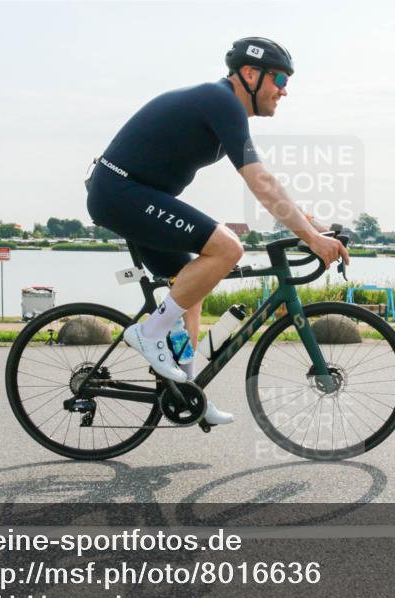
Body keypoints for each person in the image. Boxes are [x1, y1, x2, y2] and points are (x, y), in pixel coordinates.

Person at [86, 37, 349, 425]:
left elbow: (268, 184)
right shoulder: (221, 100)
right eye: (278, 78)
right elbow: (260, 181)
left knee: (190, 286)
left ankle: (187, 390)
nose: (284, 89)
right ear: (249, 74)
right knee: (227, 248)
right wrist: (312, 240)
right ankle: (148, 334)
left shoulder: (225, 109)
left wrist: (315, 227)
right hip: (120, 192)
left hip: (131, 195)